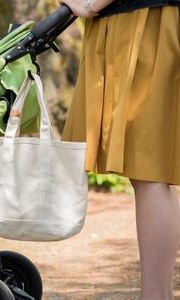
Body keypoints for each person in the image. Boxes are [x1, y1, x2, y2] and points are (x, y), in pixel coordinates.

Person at [58, 0, 180, 299]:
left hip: (143, 21)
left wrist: (90, 4)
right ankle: (157, 293)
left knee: (149, 170)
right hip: (135, 18)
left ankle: (154, 295)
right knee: (152, 173)